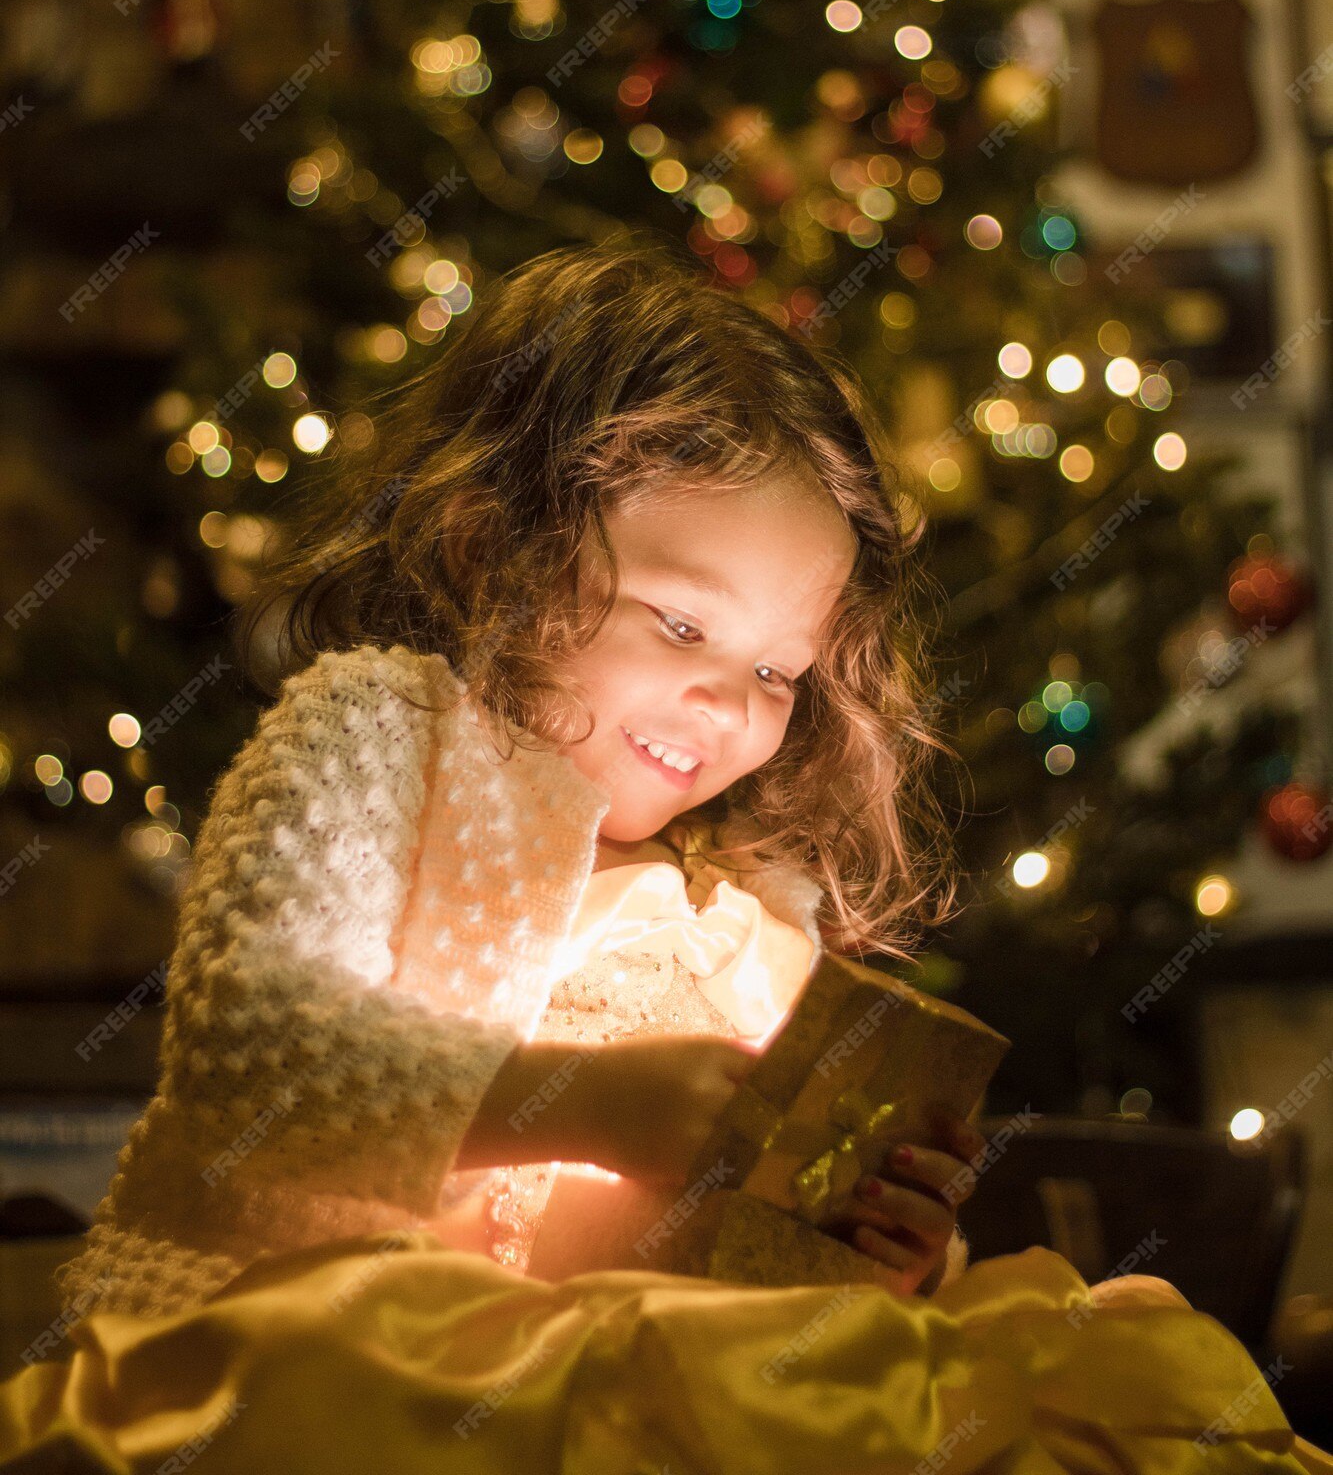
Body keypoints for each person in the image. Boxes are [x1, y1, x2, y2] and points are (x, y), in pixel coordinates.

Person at [1, 236, 1327, 1475]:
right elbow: (253, 1059)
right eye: (683, 628)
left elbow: (743, 1293)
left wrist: (881, 1249)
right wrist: (584, 1105)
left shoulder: (747, 912)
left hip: (605, 1385)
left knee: (1075, 1359)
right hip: (287, 1344)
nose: (731, 704)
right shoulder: (375, 743)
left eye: (774, 668)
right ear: (495, 548)